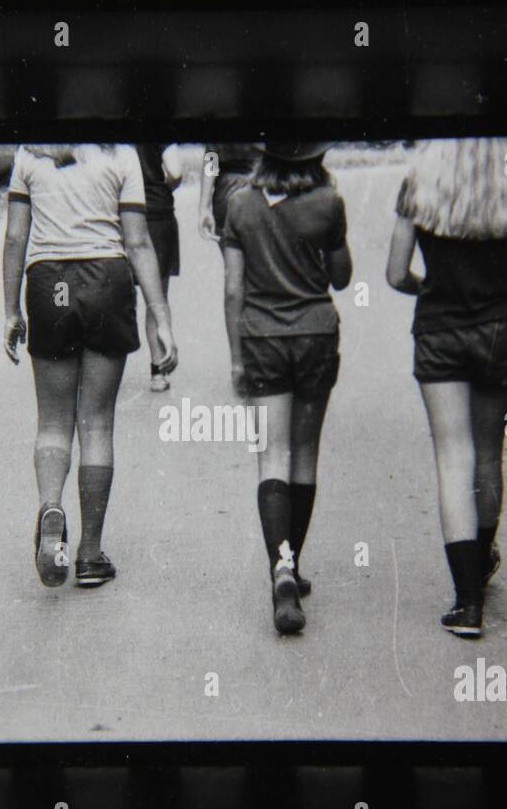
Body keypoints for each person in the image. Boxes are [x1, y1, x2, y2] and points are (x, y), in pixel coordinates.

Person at [386, 138, 507, 637]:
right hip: (500, 326)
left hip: (438, 328)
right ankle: (483, 559)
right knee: (488, 453)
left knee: (452, 459)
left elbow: (394, 274)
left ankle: (467, 603)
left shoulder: (420, 177)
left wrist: (433, 289)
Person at [2, 144, 178, 589]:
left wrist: (11, 311)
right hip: (106, 282)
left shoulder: (29, 155)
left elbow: (15, 237)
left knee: (53, 422)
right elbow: (137, 240)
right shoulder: (121, 154)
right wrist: (160, 317)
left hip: (50, 285)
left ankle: (51, 506)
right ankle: (89, 555)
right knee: (96, 424)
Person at [221, 142, 351, 633]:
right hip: (315, 332)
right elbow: (342, 277)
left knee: (270, 455)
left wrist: (235, 355)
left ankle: (280, 568)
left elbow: (234, 288)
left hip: (262, 335)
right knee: (304, 452)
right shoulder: (328, 203)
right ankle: (293, 564)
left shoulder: (239, 202)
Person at [199, 143, 261, 395]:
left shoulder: (220, 106)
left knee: (235, 278)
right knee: (263, 275)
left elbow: (212, 157)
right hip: (264, 188)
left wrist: (203, 206)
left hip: (227, 194)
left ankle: (238, 361)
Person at [135, 143, 184, 392]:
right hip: (158, 212)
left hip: (123, 212)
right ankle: (158, 370)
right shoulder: (161, 127)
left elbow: (212, 160)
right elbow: (176, 171)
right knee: (157, 296)